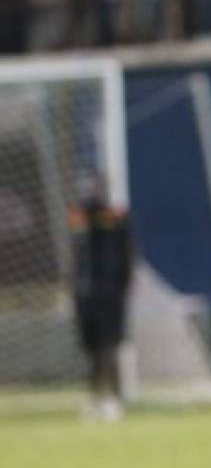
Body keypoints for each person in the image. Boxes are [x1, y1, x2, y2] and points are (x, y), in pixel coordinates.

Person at [69, 175, 134, 421]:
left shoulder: (115, 217)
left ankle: (114, 398)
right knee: (92, 348)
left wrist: (122, 287)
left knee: (109, 346)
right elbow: (76, 254)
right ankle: (96, 397)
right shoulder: (77, 217)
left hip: (109, 292)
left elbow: (127, 255)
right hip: (85, 292)